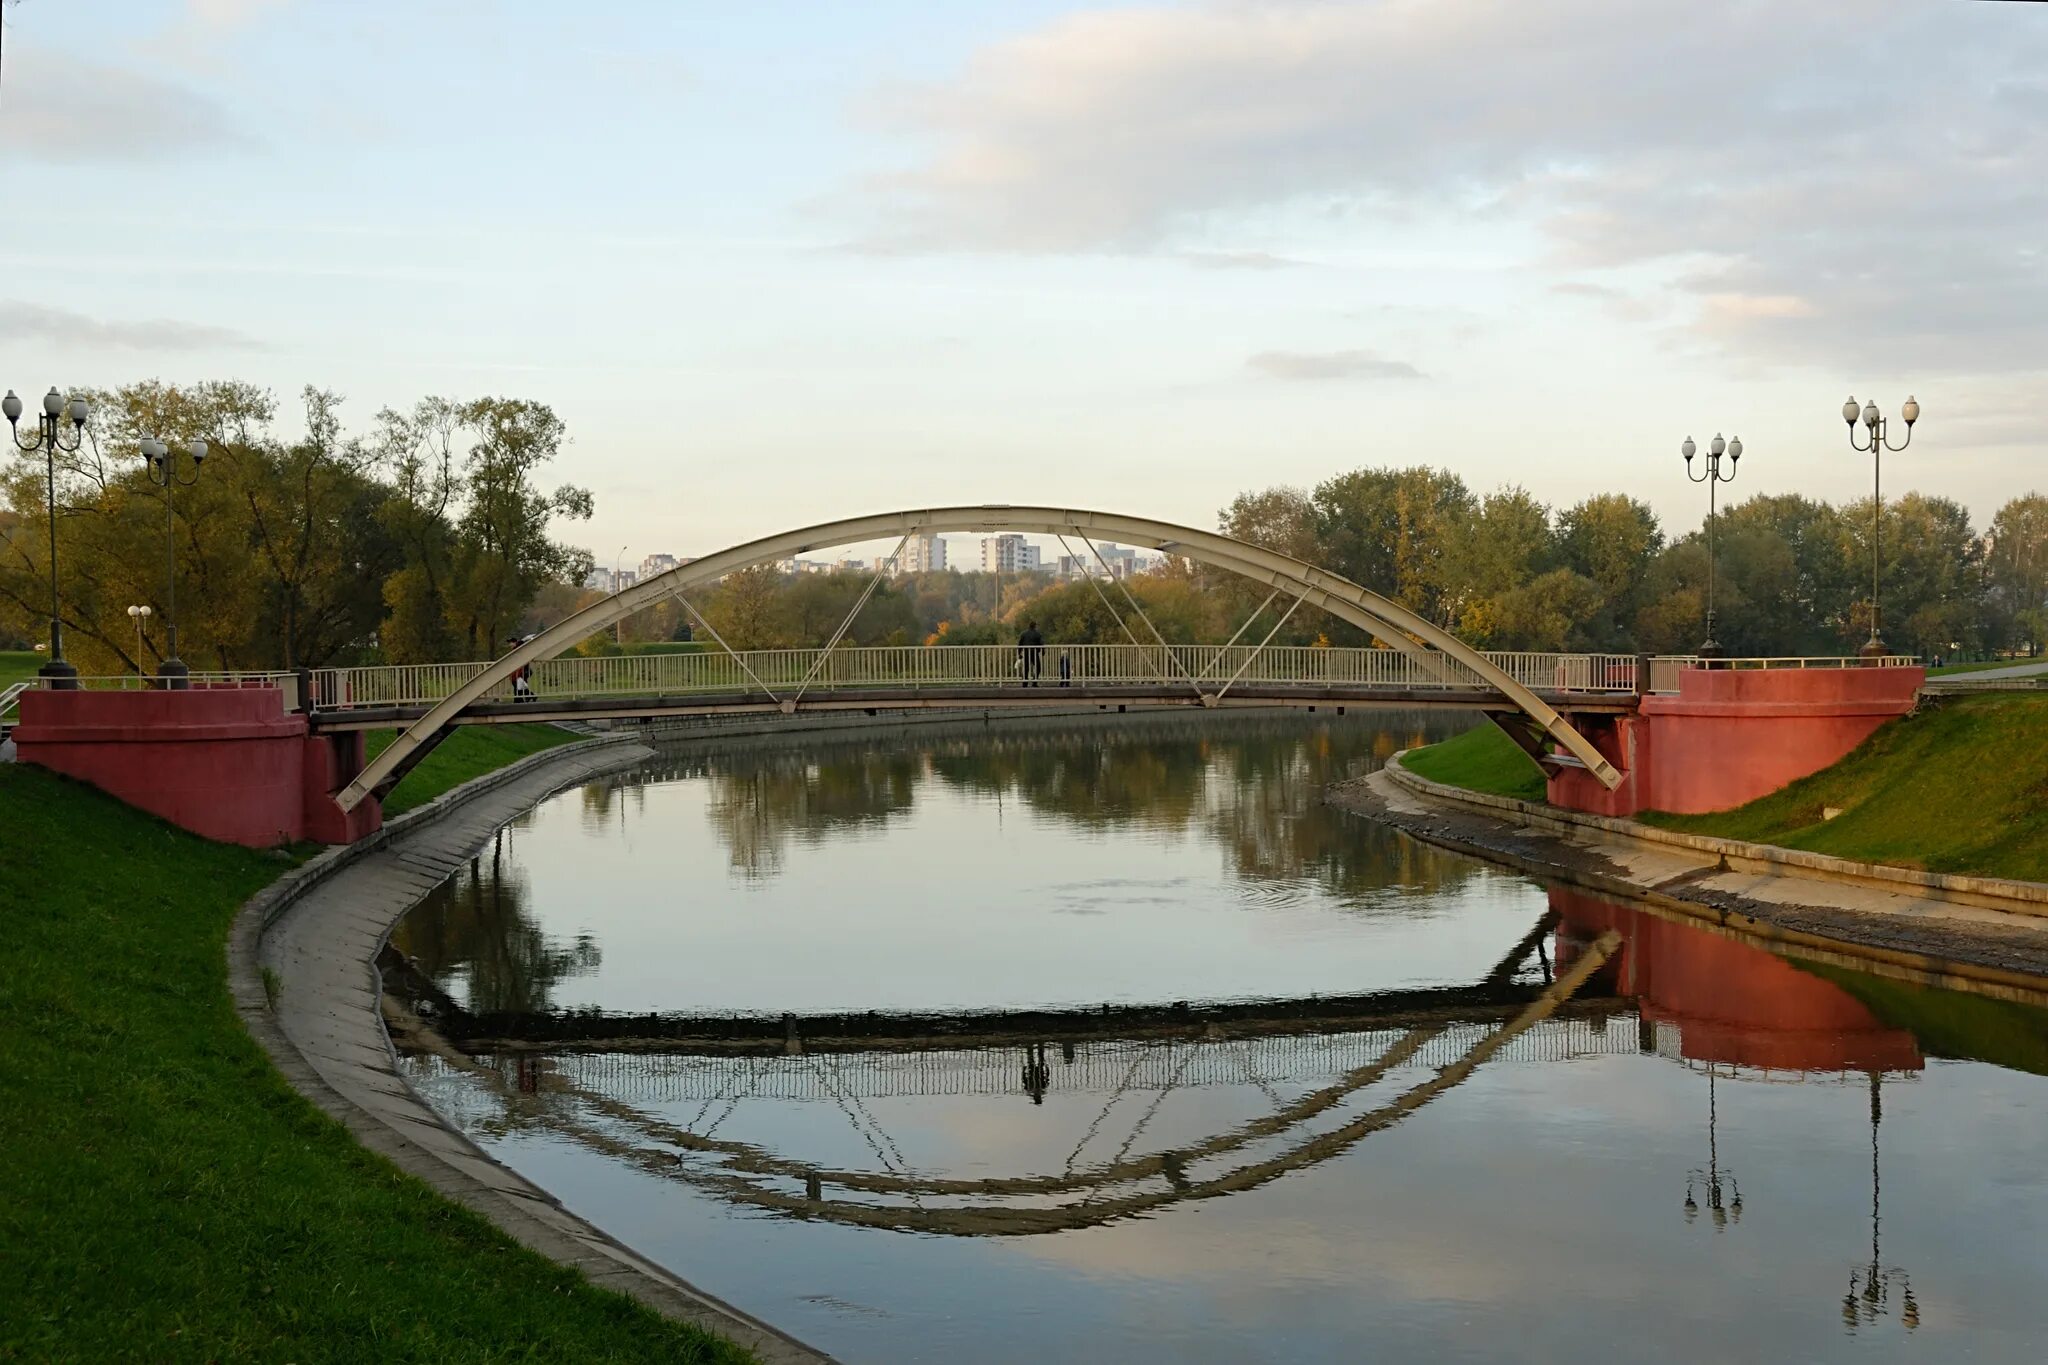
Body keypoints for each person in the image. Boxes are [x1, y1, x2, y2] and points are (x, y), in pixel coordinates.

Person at [1017, 620, 1045, 686]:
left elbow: (1020, 644)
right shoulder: (1038, 634)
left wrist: (1019, 653)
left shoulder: (1023, 634)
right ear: (1035, 626)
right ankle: (1034, 682)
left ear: (1029, 626)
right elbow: (1042, 643)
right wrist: (1043, 651)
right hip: (1035, 653)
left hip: (1026, 652)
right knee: (1038, 667)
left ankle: (1025, 683)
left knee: (1026, 668)